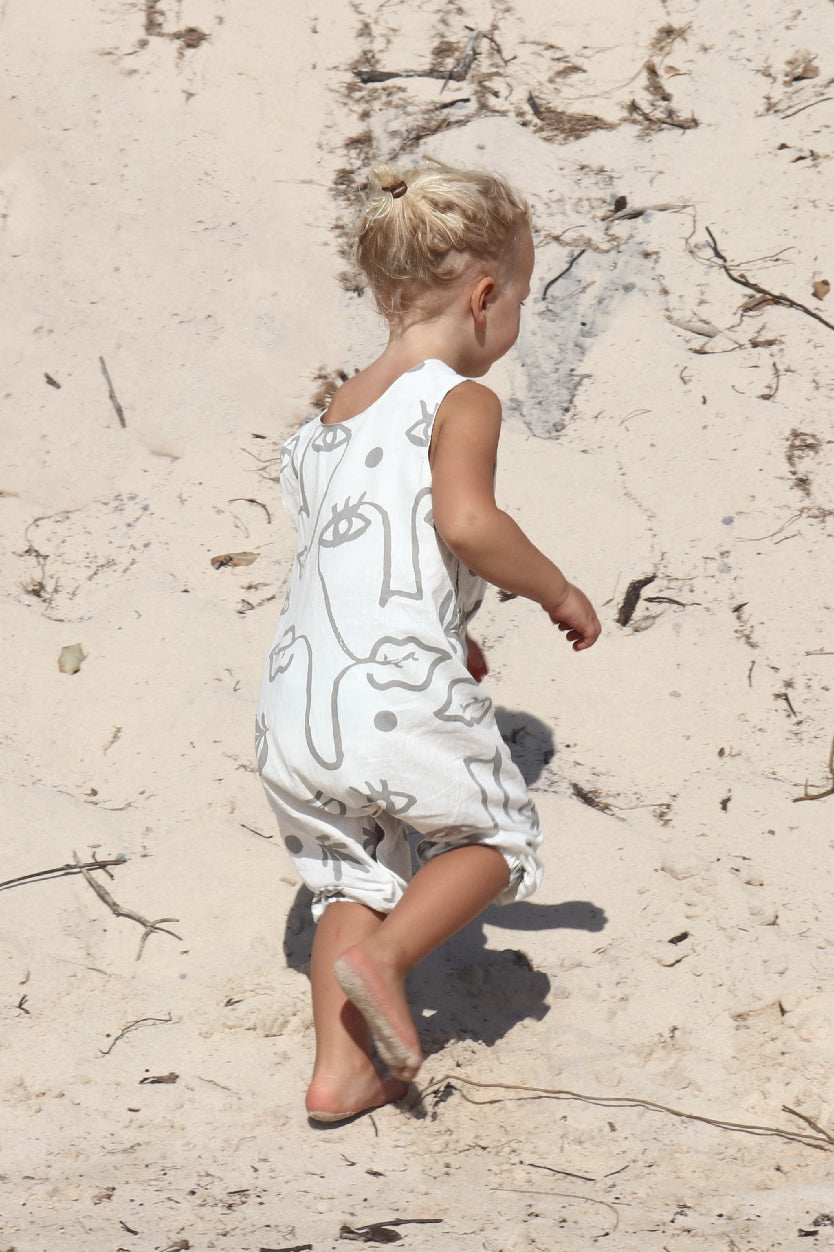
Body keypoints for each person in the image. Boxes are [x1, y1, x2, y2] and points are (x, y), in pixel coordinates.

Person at [256, 159, 600, 1123]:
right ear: (485, 296)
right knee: (493, 837)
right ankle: (392, 957)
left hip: (294, 705)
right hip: (391, 694)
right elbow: (465, 523)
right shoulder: (461, 400)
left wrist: (453, 635)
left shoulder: (322, 423)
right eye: (520, 297)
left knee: (347, 880)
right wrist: (554, 588)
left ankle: (341, 1074)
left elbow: (362, 566)